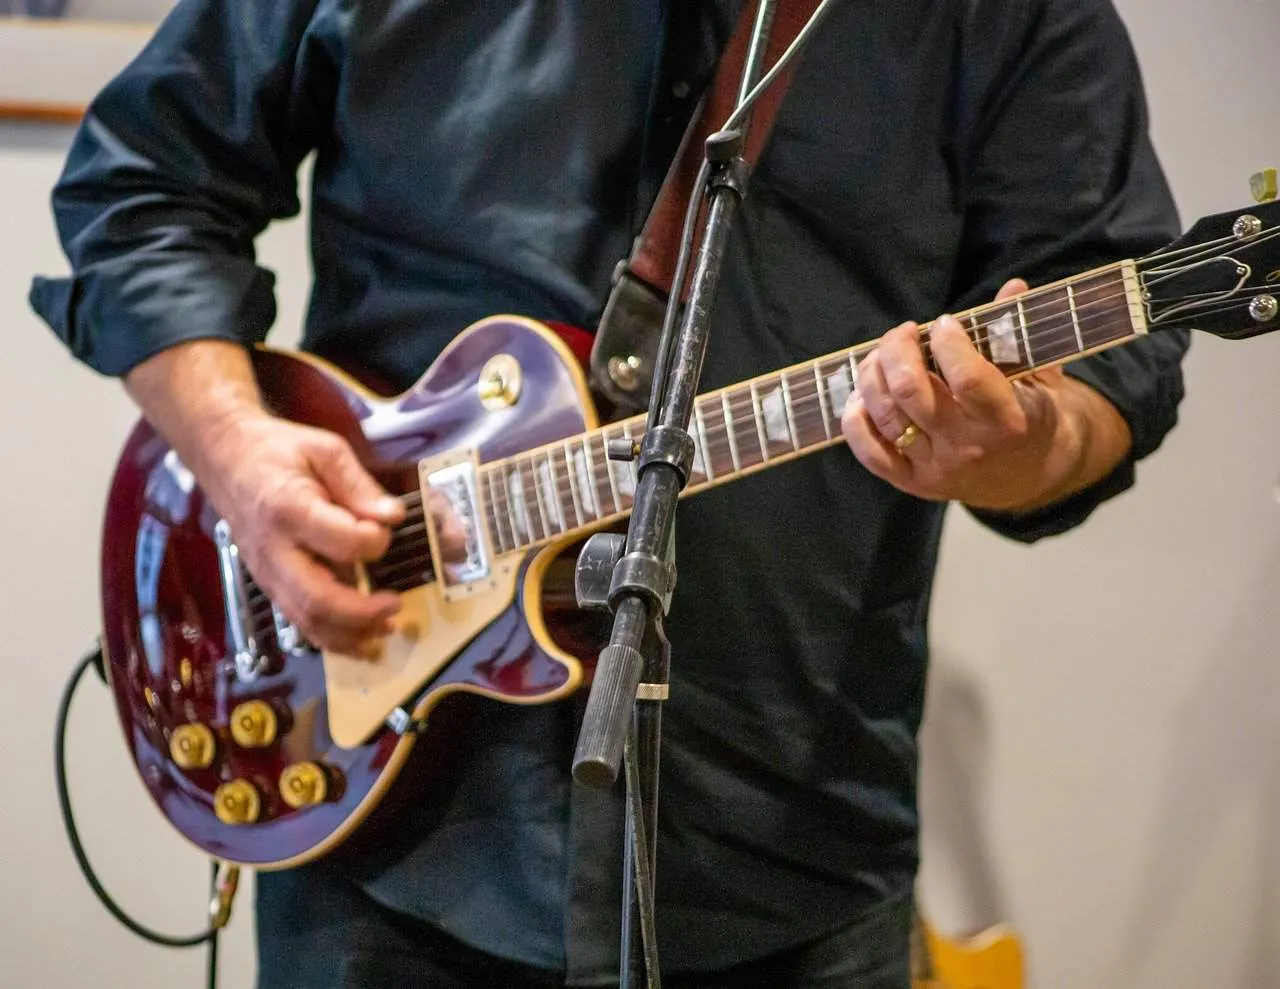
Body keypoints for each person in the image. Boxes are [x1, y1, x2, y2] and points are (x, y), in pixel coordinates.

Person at [28, 1, 1190, 986]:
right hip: (384, 838)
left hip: (783, 854)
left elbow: (1115, 360)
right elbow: (141, 185)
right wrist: (236, 449)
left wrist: (1014, 443)